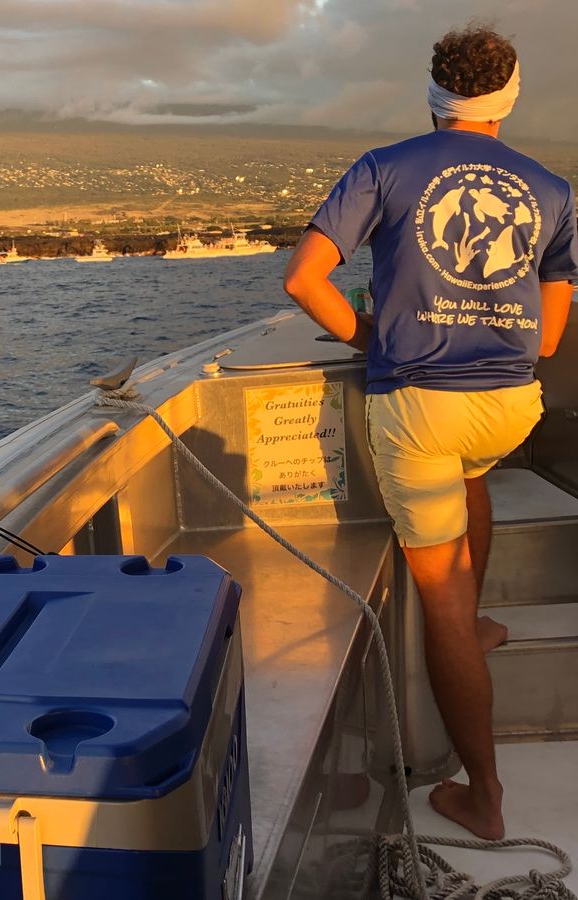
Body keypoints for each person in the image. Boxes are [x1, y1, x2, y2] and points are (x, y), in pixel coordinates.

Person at [283, 24, 577, 840]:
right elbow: (550, 339)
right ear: (507, 99)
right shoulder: (552, 189)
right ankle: (476, 624)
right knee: (472, 475)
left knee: (437, 593)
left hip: (420, 408)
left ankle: (483, 793)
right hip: (510, 405)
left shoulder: (384, 167)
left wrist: (367, 336)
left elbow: (304, 279)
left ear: (434, 96)